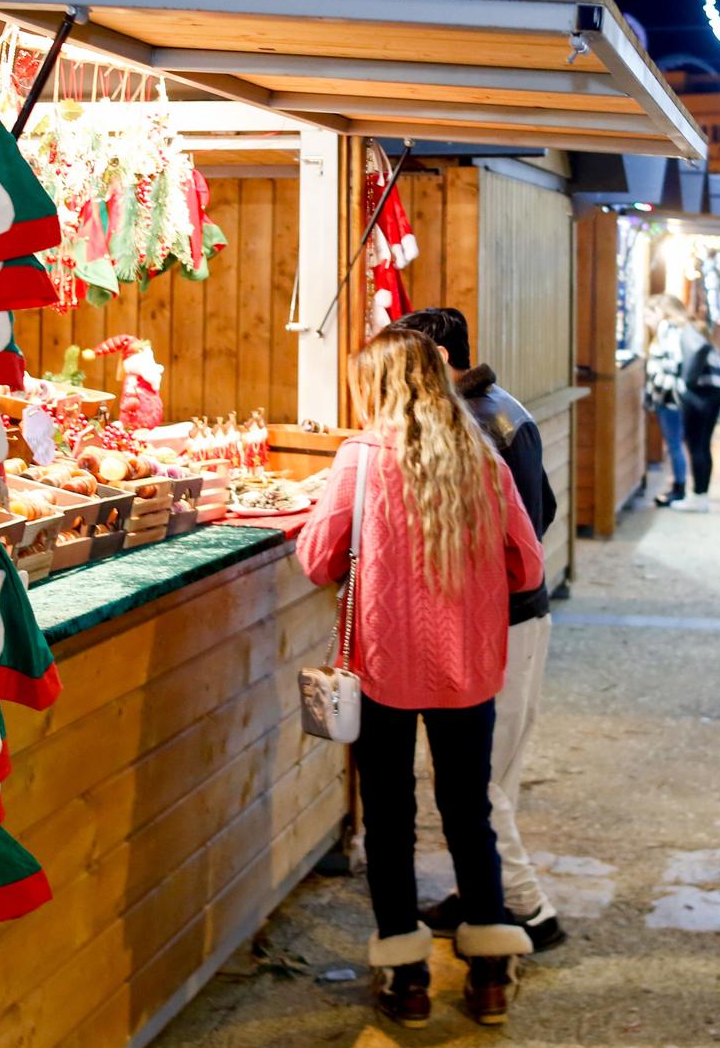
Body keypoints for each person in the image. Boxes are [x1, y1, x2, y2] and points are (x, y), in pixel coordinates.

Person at [297, 328, 545, 1028]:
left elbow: (317, 559)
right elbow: (527, 565)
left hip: (383, 669)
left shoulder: (361, 460)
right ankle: (491, 976)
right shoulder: (482, 457)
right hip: (469, 669)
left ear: (377, 387)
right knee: (470, 814)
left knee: (391, 819)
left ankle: (406, 981)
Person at [393, 308, 566, 953]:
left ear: (435, 360)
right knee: (497, 774)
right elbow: (542, 511)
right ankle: (480, 890)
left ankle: (530, 911)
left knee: (479, 783)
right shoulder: (499, 406)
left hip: (501, 623)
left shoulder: (476, 422)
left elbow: (515, 532)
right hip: (518, 617)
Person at [647, 294, 720, 509]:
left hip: (701, 391)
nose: (647, 320)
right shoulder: (688, 325)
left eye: (649, 314)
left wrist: (684, 385)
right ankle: (700, 496)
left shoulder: (668, 327)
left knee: (696, 444)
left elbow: (674, 363)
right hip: (716, 388)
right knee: (702, 444)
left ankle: (699, 498)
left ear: (660, 312)